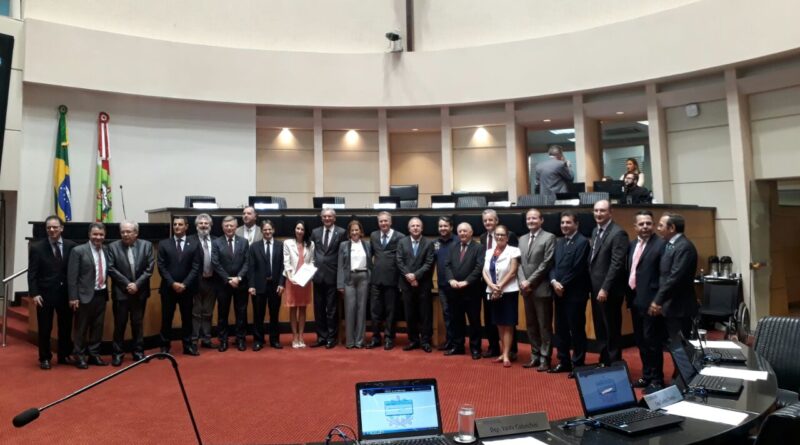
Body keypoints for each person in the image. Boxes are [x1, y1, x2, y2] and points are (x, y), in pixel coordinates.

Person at [625, 210, 667, 393]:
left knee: (653, 341)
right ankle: (647, 375)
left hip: (652, 303)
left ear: (653, 224)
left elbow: (665, 276)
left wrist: (659, 301)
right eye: (641, 224)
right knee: (641, 341)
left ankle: (657, 379)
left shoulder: (661, 245)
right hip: (635, 300)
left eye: (648, 223)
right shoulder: (632, 244)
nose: (645, 227)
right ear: (635, 227)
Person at [28, 215, 77, 369]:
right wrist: (34, 293)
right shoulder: (37, 247)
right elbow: (32, 274)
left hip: (65, 295)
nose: (52, 230)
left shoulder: (71, 246)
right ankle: (45, 358)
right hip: (45, 295)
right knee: (45, 328)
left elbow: (74, 272)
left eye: (55, 227)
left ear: (61, 228)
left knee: (65, 327)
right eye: (49, 227)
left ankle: (64, 355)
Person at [548, 211, 591, 375]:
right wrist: (553, 282)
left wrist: (561, 285)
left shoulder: (582, 242)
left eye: (568, 222)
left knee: (577, 329)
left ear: (576, 224)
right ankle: (563, 361)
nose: (565, 225)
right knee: (560, 329)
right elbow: (552, 266)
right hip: (558, 293)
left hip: (574, 294)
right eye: (562, 223)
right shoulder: (559, 242)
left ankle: (578, 364)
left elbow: (578, 268)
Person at [107, 220, 154, 366]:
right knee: (120, 324)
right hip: (121, 292)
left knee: (137, 324)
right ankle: (117, 354)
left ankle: (138, 352)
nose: (125, 234)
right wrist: (127, 284)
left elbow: (150, 268)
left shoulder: (146, 245)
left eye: (128, 232)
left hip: (139, 292)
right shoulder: (112, 247)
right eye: (123, 232)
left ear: (136, 233)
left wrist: (137, 284)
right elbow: (111, 268)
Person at [588, 199, 629, 366]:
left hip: (609, 290)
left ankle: (614, 363)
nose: (598, 214)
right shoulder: (594, 231)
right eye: (596, 210)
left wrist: (605, 288)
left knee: (611, 328)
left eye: (602, 211)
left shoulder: (618, 233)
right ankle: (604, 360)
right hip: (595, 288)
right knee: (600, 327)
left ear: (610, 213)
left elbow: (616, 264)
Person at [517, 209, 556, 371]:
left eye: (534, 218)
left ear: (541, 220)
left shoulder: (549, 237)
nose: (531, 221)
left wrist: (529, 281)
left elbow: (546, 263)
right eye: (528, 218)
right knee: (531, 324)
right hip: (526, 290)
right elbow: (518, 263)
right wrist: (522, 281)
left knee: (544, 326)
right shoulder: (522, 239)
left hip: (541, 289)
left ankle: (545, 358)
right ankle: (534, 355)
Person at [157, 216, 202, 355]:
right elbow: (161, 266)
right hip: (168, 289)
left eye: (180, 224)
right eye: (175, 224)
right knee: (166, 318)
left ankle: (188, 345)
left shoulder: (194, 243)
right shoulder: (164, 243)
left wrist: (185, 284)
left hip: (187, 289)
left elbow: (196, 266)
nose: (177, 226)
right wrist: (173, 283)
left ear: (186, 226)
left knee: (187, 318)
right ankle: (165, 346)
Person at [650, 213, 698, 342]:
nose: (658, 228)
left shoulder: (684, 247)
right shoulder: (670, 244)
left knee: (681, 348)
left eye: (661, 225)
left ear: (671, 228)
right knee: (676, 348)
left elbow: (675, 277)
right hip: (671, 306)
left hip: (680, 307)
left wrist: (658, 300)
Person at [67, 222, 109, 369]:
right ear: (89, 235)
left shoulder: (106, 250)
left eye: (101, 234)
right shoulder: (78, 251)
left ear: (105, 236)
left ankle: (94, 355)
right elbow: (72, 277)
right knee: (81, 328)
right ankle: (79, 355)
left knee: (98, 327)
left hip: (101, 294)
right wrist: (73, 297)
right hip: (83, 296)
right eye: (95, 234)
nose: (98, 237)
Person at [479, 209, 518, 359]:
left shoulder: (510, 236)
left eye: (491, 220)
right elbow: (484, 264)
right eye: (485, 221)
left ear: (497, 221)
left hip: (507, 286)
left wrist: (500, 286)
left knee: (507, 319)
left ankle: (511, 350)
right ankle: (494, 347)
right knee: (491, 317)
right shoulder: (483, 238)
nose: (488, 223)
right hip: (489, 285)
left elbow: (514, 263)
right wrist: (492, 285)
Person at [444, 222, 485, 360]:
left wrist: (466, 281)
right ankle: (458, 346)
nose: (462, 233)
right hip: (454, 291)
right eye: (460, 231)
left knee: (474, 321)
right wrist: (451, 280)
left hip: (471, 291)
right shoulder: (453, 247)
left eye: (465, 231)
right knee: (456, 320)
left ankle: (475, 348)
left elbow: (479, 268)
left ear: (471, 232)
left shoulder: (479, 248)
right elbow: (447, 265)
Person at [396, 217, 436, 352]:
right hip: (406, 284)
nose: (415, 228)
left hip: (423, 284)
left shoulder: (429, 243)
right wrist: (409, 276)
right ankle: (413, 340)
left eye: (418, 225)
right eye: (412, 226)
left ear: (422, 228)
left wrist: (415, 276)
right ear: (409, 228)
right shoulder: (402, 242)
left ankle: (425, 341)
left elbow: (429, 263)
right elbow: (399, 261)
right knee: (410, 314)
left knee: (425, 314)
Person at [211, 215, 250, 351]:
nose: (229, 228)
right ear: (222, 227)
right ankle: (223, 340)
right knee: (222, 314)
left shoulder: (244, 242)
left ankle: (240, 339)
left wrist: (238, 278)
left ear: (236, 227)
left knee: (241, 313)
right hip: (223, 284)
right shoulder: (216, 242)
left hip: (240, 283)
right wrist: (228, 279)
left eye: (231, 226)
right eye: (226, 226)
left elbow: (247, 262)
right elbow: (215, 263)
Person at [368, 211, 405, 350]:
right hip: (376, 280)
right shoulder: (373, 235)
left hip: (392, 280)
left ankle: (389, 338)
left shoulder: (400, 237)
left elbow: (402, 259)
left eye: (385, 221)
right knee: (375, 311)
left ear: (390, 222)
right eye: (381, 221)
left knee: (391, 311)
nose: (383, 223)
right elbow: (369, 256)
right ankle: (376, 337)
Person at [310, 208, 346, 348]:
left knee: (331, 309)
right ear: (321, 218)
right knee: (318, 309)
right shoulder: (315, 232)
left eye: (329, 216)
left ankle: (332, 337)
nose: (327, 219)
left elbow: (343, 255)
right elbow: (311, 253)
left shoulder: (342, 232)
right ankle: (321, 337)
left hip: (333, 276)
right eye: (324, 216)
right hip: (318, 276)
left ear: (334, 218)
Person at [247, 220, 285, 350]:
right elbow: (251, 268)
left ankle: (274, 340)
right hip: (258, 286)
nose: (267, 232)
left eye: (270, 229)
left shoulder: (281, 246)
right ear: (261, 231)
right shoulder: (254, 247)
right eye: (265, 230)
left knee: (274, 314)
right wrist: (251, 285)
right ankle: (258, 340)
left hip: (275, 286)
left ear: (273, 230)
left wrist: (281, 283)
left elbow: (283, 267)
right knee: (258, 315)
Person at [337, 220, 373, 349]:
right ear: (349, 233)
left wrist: (370, 277)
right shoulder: (343, 245)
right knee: (350, 309)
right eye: (352, 230)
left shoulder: (367, 245)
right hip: (349, 279)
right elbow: (341, 265)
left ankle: (359, 341)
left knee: (361, 309)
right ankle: (350, 341)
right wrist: (340, 284)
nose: (354, 232)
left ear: (361, 232)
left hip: (363, 278)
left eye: (357, 230)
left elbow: (370, 263)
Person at [283, 220, 315, 348]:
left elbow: (312, 261)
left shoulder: (310, 244)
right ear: (294, 229)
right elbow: (286, 262)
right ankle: (294, 336)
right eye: (298, 228)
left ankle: (301, 336)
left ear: (305, 231)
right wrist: (291, 277)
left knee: (303, 308)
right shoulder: (288, 243)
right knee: (293, 308)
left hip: (305, 281)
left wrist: (308, 275)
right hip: (292, 280)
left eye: (302, 229)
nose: (300, 231)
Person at [189, 213, 217, 350]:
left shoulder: (216, 241)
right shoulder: (190, 241)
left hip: (211, 280)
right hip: (195, 281)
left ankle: (206, 338)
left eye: (206, 223)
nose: (204, 226)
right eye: (201, 223)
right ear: (196, 226)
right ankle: (194, 340)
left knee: (208, 311)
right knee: (196, 312)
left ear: (211, 225)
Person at [434, 216, 458, 351]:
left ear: (451, 227)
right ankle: (450, 341)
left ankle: (456, 342)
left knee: (455, 315)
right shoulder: (435, 243)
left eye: (445, 226)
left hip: (455, 285)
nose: (443, 228)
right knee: (447, 314)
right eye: (440, 226)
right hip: (442, 286)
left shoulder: (458, 241)